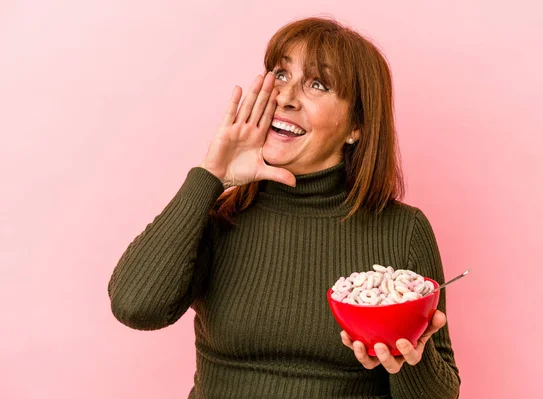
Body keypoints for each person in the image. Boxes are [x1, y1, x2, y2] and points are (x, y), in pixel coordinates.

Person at [108, 16, 461, 399]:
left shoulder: (402, 231)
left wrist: (410, 356)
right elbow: (135, 307)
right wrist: (212, 176)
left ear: (355, 126)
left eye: (318, 84)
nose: (286, 97)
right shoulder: (219, 217)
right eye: (280, 75)